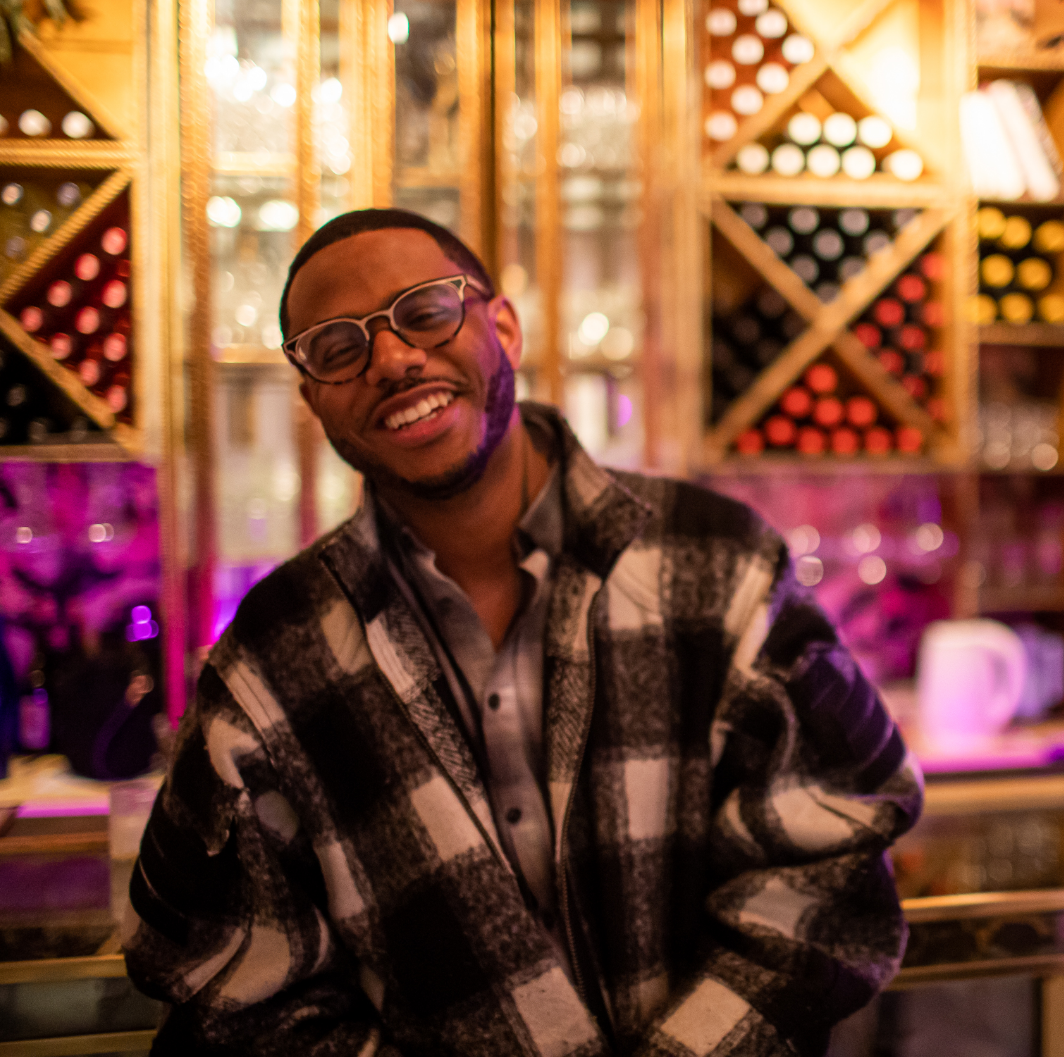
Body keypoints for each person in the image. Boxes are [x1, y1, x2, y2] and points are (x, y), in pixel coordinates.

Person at [123, 209, 923, 1057]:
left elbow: (830, 862)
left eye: (426, 311)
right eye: (337, 347)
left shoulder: (720, 561)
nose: (391, 359)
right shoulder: (271, 657)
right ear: (313, 396)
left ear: (501, 327)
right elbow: (226, 981)